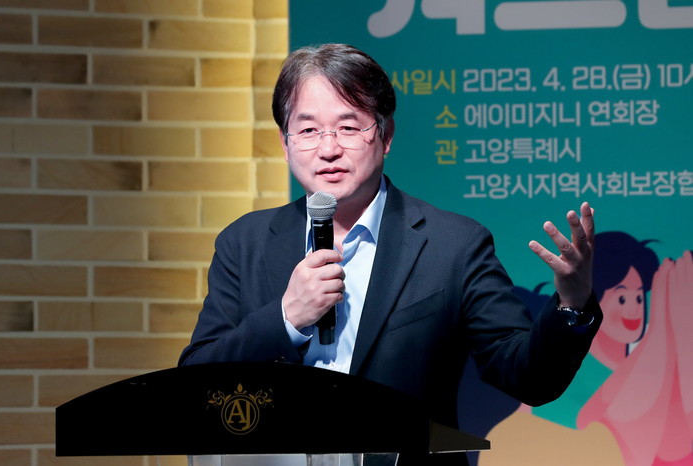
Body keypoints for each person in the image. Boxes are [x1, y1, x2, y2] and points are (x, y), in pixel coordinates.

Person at [179, 43, 602, 461]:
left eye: (349, 127)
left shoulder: (453, 245)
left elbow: (528, 378)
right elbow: (194, 384)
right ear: (285, 143)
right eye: (308, 131)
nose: (328, 149)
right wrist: (286, 318)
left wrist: (572, 301)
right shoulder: (244, 242)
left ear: (386, 136)